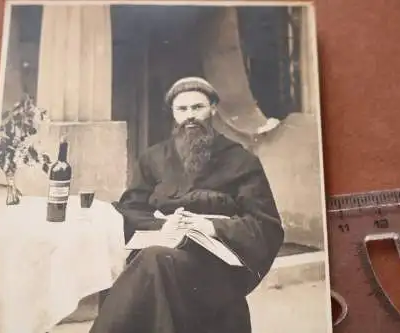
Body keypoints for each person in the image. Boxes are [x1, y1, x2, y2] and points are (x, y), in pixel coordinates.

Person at [89, 77, 284, 333]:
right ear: (173, 113)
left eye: (197, 107)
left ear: (213, 108)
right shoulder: (153, 158)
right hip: (164, 248)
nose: (190, 116)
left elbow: (266, 225)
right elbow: (131, 208)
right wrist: (164, 225)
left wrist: (211, 227)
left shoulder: (241, 160)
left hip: (215, 265)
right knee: (152, 259)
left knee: (154, 260)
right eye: (182, 109)